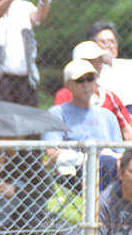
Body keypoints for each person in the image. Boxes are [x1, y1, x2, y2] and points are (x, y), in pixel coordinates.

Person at [44, 59, 125, 192]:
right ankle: (105, 210)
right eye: (80, 80)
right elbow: (52, 153)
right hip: (76, 170)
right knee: (107, 162)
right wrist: (84, 159)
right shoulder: (56, 113)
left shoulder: (107, 116)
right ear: (67, 85)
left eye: (90, 79)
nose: (86, 84)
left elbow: (120, 151)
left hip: (113, 166)